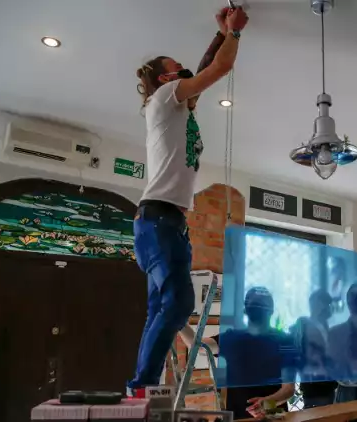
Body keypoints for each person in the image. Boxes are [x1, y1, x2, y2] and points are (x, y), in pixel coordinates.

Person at [127, 7, 249, 396]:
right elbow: (217, 71)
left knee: (163, 308)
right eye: (177, 68)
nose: (184, 72)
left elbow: (199, 71)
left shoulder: (176, 103)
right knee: (177, 305)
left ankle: (142, 386)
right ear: (166, 78)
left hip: (167, 223)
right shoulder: (165, 97)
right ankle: (142, 387)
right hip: (158, 219)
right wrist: (234, 35)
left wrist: (217, 36)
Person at [180, 287, 297, 420]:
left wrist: (267, 404)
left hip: (274, 417)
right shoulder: (233, 338)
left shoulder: (285, 341)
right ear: (246, 310)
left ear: (271, 310)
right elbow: (197, 346)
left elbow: (288, 389)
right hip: (238, 417)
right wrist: (177, 319)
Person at [289, 289, 339, 409]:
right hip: (312, 383)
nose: (330, 308)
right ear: (317, 304)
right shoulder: (303, 325)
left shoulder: (326, 327)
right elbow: (296, 352)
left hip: (329, 383)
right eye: (327, 303)